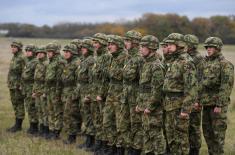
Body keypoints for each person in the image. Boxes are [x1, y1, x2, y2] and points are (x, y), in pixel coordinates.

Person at [163, 33, 197, 155]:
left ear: (179, 45)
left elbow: (191, 88)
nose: (168, 46)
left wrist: (185, 109)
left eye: (171, 44)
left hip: (179, 106)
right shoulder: (174, 60)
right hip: (169, 105)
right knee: (171, 137)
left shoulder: (186, 62)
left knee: (181, 138)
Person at [201, 37, 234, 155]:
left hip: (217, 105)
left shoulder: (225, 64)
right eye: (207, 47)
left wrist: (219, 104)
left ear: (218, 48)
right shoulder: (205, 62)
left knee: (218, 134)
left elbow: (226, 86)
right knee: (207, 133)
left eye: (211, 47)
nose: (208, 49)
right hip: (206, 104)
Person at [135, 35, 165, 155]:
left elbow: (157, 90)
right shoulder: (146, 63)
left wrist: (150, 107)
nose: (141, 49)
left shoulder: (156, 66)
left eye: (143, 47)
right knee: (146, 132)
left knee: (155, 135)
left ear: (151, 48)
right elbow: (142, 87)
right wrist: (139, 104)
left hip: (152, 108)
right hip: (144, 105)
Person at [102, 35, 129, 155]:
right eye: (108, 44)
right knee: (107, 121)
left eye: (112, 44)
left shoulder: (125, 57)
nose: (109, 47)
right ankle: (111, 145)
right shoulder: (112, 58)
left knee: (120, 124)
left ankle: (119, 148)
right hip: (111, 93)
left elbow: (124, 76)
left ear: (118, 45)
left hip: (120, 95)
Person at [122, 30, 143, 155]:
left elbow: (143, 81)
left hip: (135, 96)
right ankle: (129, 147)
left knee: (136, 124)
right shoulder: (128, 57)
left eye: (128, 41)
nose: (126, 43)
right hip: (127, 95)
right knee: (126, 123)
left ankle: (136, 149)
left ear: (135, 42)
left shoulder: (139, 59)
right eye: (125, 40)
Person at [91, 33, 112, 154]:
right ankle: (98, 143)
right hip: (96, 91)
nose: (94, 45)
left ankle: (105, 145)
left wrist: (102, 93)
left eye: (96, 43)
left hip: (103, 92)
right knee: (97, 119)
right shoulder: (98, 57)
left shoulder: (106, 57)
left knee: (104, 120)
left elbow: (106, 78)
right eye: (94, 43)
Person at [184, 34, 205, 155]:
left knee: (194, 126)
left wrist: (197, 100)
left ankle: (194, 150)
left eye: (185, 44)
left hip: (195, 98)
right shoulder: (187, 57)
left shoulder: (198, 59)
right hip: (187, 97)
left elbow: (200, 81)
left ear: (191, 46)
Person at [76, 39, 96, 151]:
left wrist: (89, 94)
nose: (82, 49)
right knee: (85, 115)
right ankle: (88, 140)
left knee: (89, 117)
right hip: (82, 91)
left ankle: (90, 141)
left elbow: (92, 80)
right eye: (81, 48)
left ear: (89, 49)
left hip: (87, 92)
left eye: (84, 47)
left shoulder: (91, 61)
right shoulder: (84, 60)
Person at [44, 42, 65, 140]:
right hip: (50, 90)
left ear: (55, 52)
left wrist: (58, 93)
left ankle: (56, 132)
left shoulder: (60, 62)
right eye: (47, 51)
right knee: (50, 111)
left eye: (50, 51)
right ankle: (51, 130)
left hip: (56, 90)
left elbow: (59, 79)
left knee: (57, 112)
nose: (48, 53)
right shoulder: (51, 62)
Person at [61, 43, 81, 144]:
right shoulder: (67, 63)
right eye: (64, 51)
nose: (65, 53)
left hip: (72, 93)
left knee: (71, 115)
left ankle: (72, 137)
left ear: (73, 52)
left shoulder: (76, 63)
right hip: (66, 92)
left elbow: (79, 81)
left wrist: (74, 95)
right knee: (67, 115)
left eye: (67, 52)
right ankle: (70, 135)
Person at [7, 41, 25, 133]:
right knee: (15, 104)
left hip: (18, 86)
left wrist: (21, 85)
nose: (13, 48)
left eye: (15, 47)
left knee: (19, 104)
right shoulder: (15, 57)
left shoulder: (22, 58)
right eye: (12, 46)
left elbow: (24, 73)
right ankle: (16, 124)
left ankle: (18, 125)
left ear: (19, 48)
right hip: (12, 85)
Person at [22, 44, 39, 135]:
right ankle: (32, 125)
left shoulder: (35, 62)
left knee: (33, 107)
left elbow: (36, 77)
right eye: (26, 50)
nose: (27, 52)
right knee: (29, 107)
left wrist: (34, 90)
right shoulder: (29, 62)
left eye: (29, 51)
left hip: (31, 87)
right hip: (26, 88)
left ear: (34, 52)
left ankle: (35, 127)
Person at [32, 46, 49, 137]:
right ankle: (41, 129)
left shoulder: (46, 64)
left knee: (45, 111)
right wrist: (34, 91)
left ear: (45, 54)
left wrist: (45, 92)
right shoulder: (38, 64)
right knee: (39, 110)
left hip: (43, 91)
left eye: (41, 53)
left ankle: (46, 130)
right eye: (37, 53)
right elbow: (35, 80)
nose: (39, 54)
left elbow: (48, 80)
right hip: (37, 91)